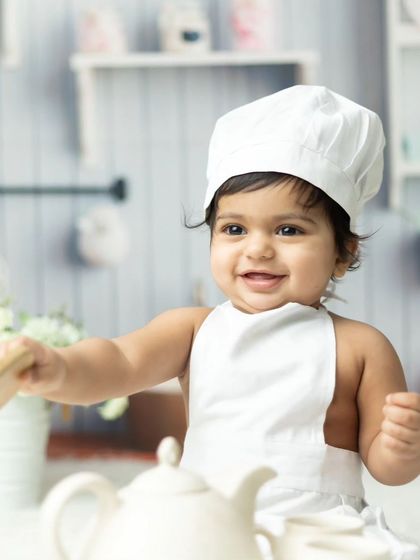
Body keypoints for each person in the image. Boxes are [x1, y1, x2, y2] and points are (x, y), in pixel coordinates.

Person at [1, 86, 420, 559]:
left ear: (343, 252)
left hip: (318, 532)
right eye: (234, 229)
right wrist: (59, 367)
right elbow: (117, 361)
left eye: (289, 230)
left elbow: (389, 470)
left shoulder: (362, 347)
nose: (257, 248)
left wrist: (402, 446)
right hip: (208, 524)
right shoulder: (193, 329)